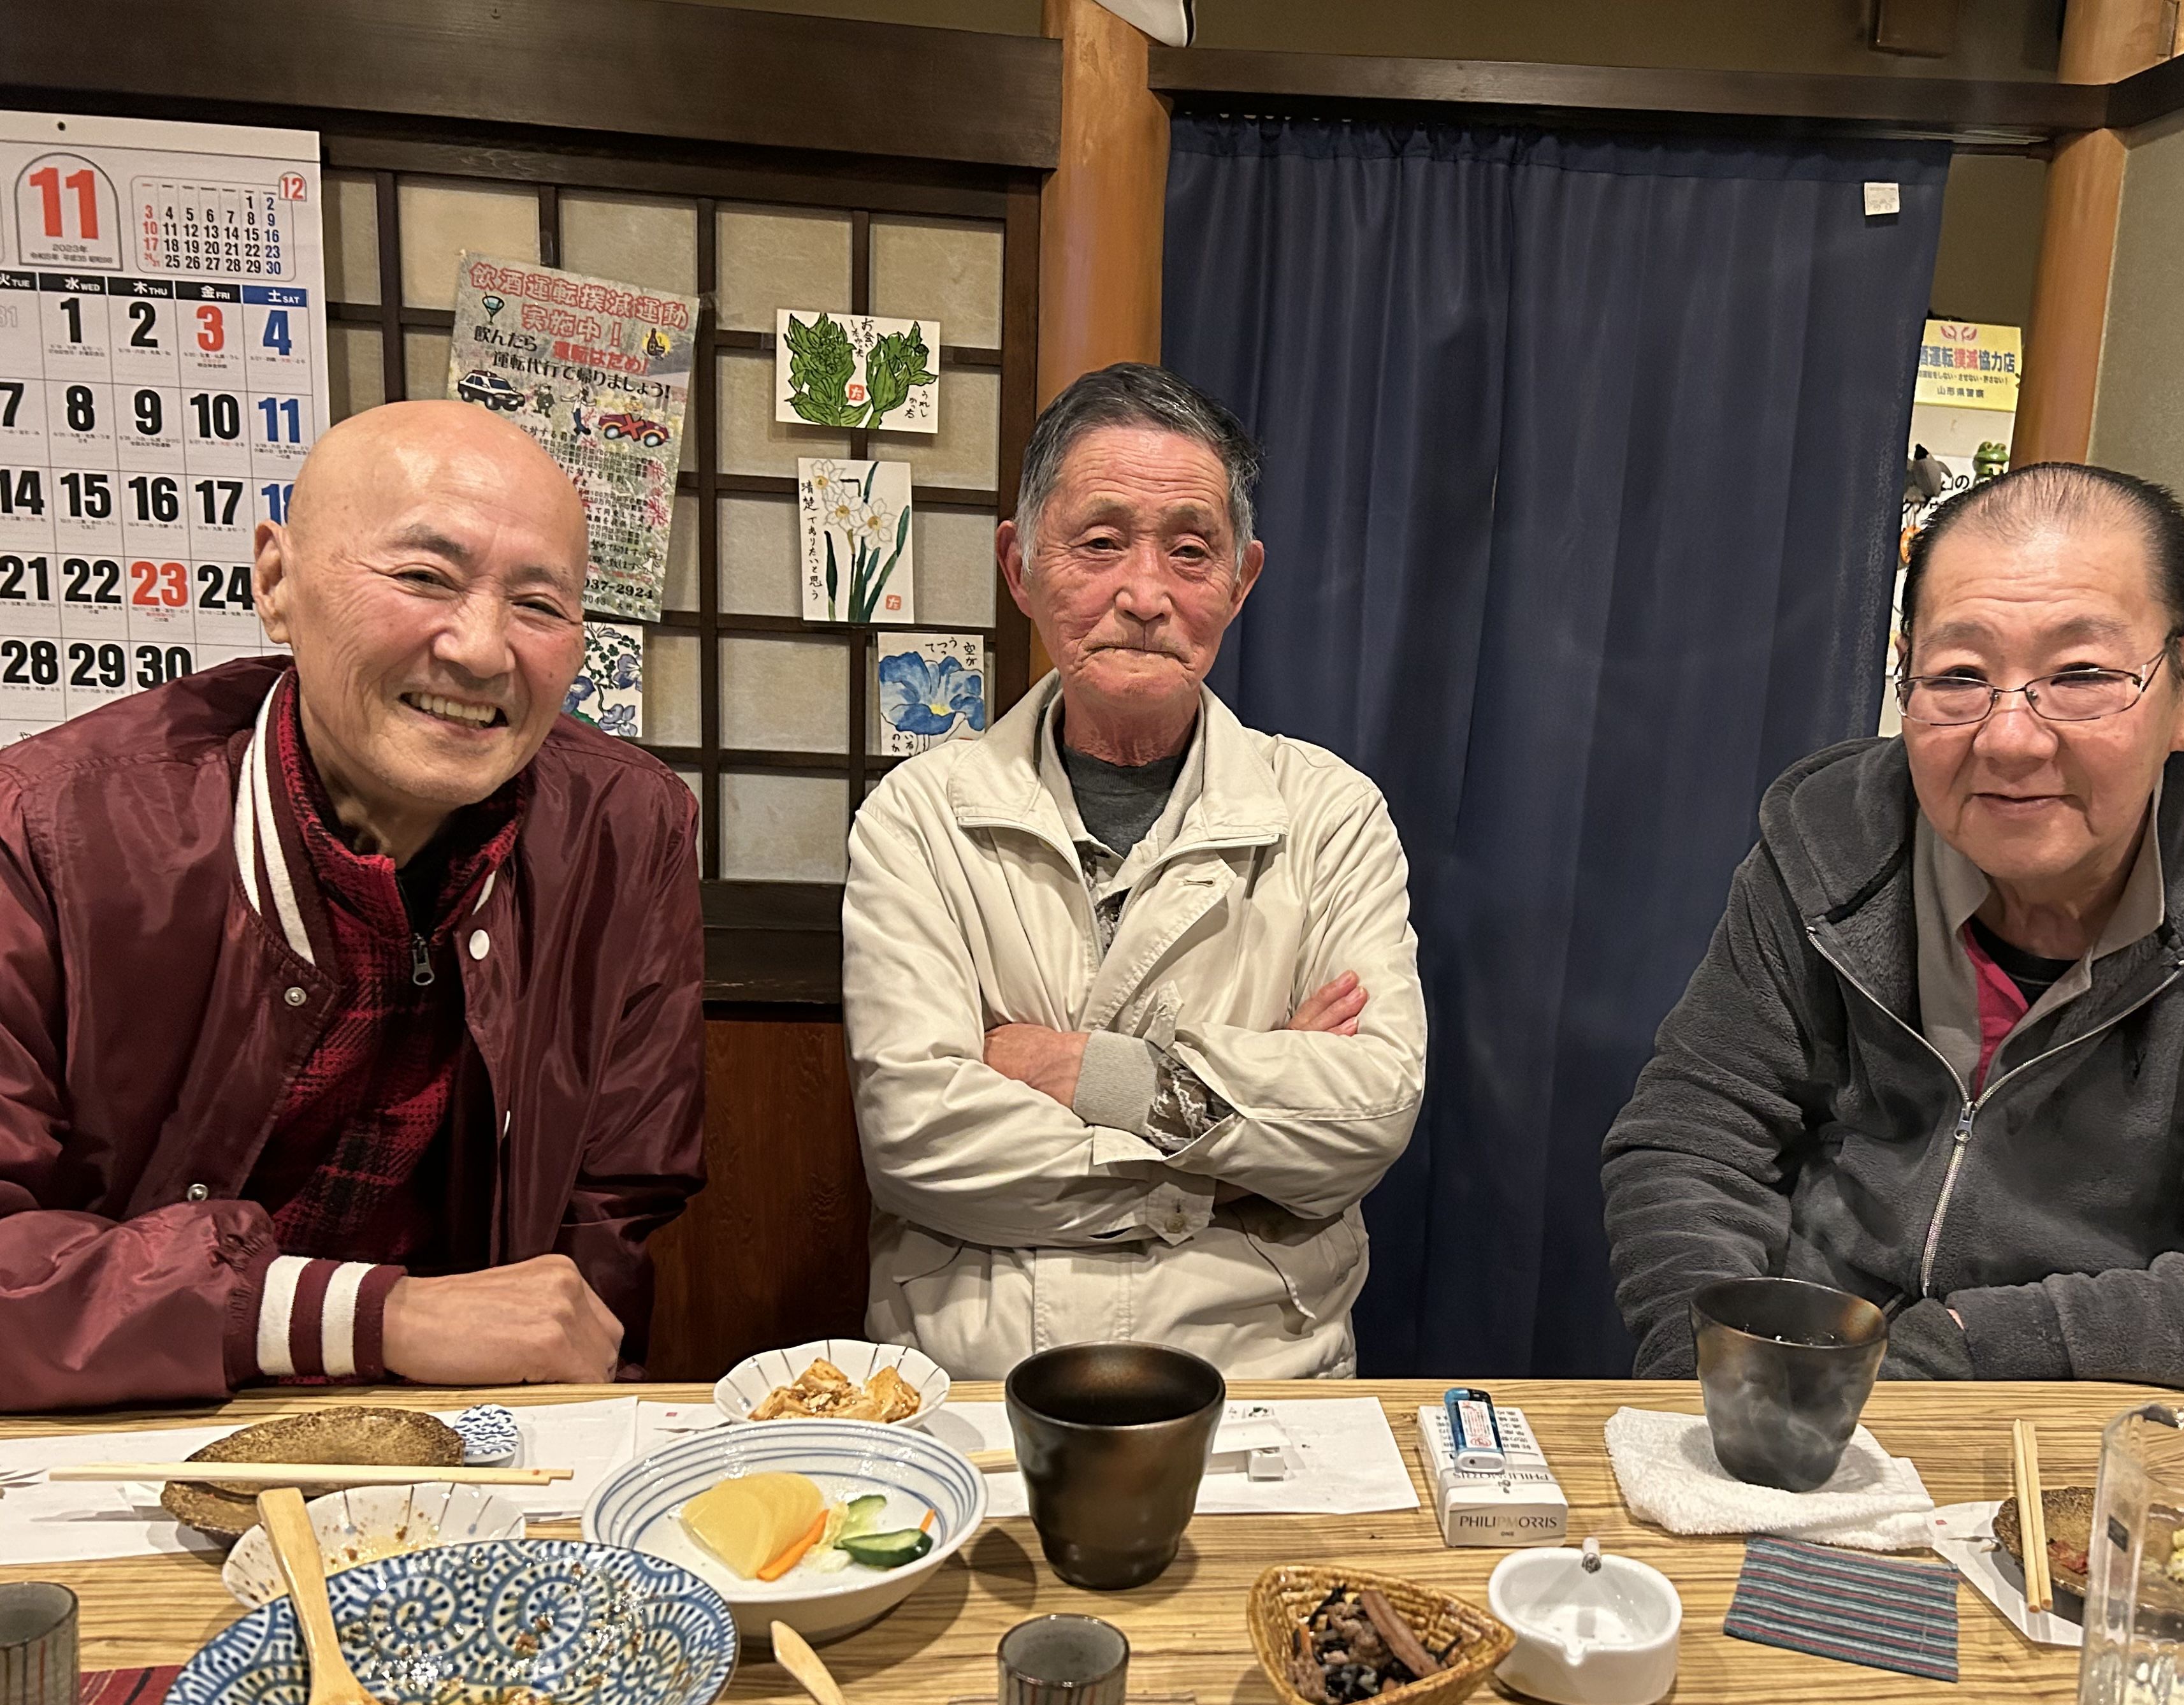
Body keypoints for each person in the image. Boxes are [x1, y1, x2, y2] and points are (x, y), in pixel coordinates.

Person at [1604, 463, 2184, 1401]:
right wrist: (1717, 1376)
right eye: (1960, 676)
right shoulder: (1827, 845)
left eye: (2083, 675)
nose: (2009, 738)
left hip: (2111, 1443)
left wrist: (1950, 1352)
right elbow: (1692, 1138)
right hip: (1805, 1403)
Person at [0, 400, 704, 1412]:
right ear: (277, 583)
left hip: (472, 1431)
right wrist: (382, 1317)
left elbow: (614, 1207)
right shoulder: (45, 828)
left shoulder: (627, 830)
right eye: (424, 578)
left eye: (541, 606)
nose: (479, 650)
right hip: (122, 1422)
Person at [843, 363, 1425, 1378]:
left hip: (1261, 1379)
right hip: (979, 1378)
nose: (1145, 594)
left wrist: (1078, 1071)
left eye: (1190, 552)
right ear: (1020, 567)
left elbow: (1370, 1108)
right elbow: (916, 1141)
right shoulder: (919, 817)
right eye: (1100, 543)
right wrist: (1230, 1161)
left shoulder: (1329, 812)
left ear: (1241, 581)